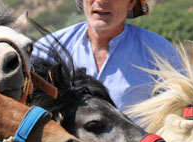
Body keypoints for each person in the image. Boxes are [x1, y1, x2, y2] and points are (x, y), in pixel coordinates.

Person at [32, 0, 184, 116]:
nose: (102, 1)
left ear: (131, 3)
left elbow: (180, 111)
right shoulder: (48, 48)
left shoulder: (158, 51)